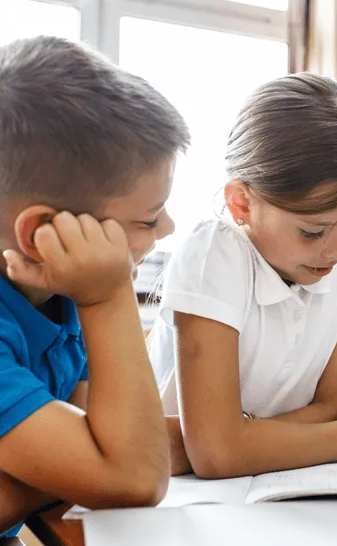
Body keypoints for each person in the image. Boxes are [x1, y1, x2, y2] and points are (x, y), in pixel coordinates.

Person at [148, 73, 337, 477]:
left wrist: (234, 440)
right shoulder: (216, 252)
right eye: (312, 231)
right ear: (241, 203)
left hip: (278, 487)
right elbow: (217, 454)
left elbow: (330, 404)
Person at [0, 36, 189, 534]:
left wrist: (24, 487)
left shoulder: (59, 298)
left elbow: (108, 448)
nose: (167, 229)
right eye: (148, 219)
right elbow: (135, 476)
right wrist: (108, 297)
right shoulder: (92, 293)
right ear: (42, 234)